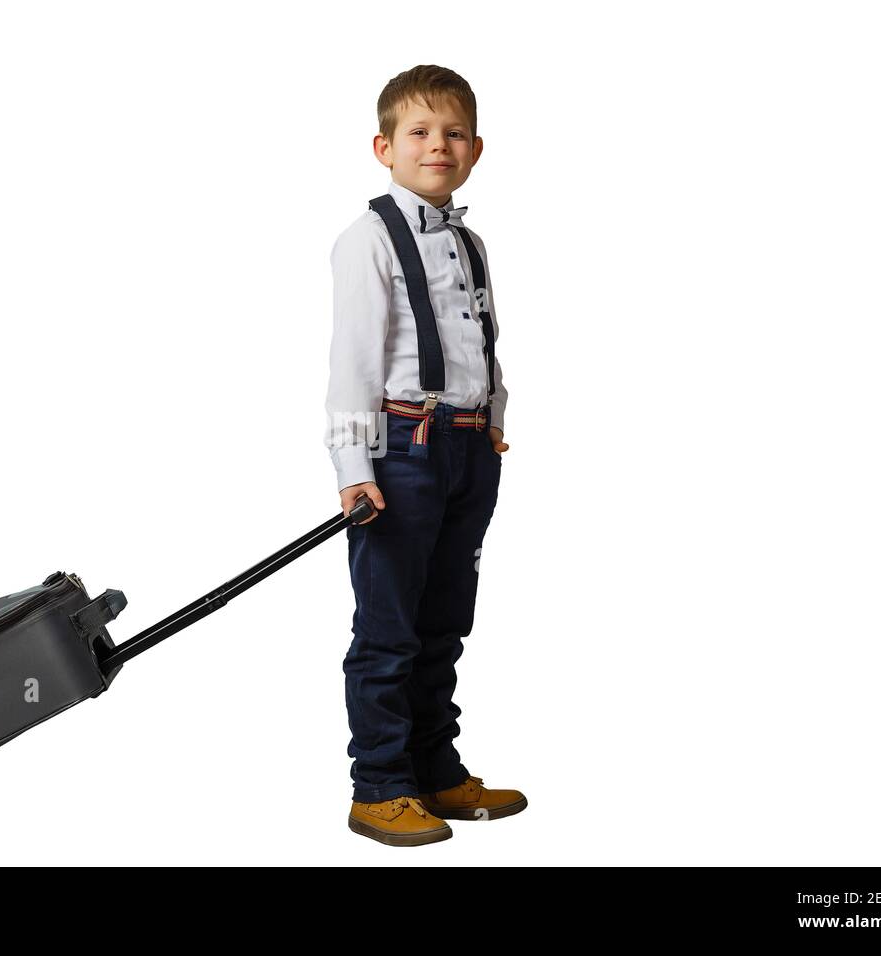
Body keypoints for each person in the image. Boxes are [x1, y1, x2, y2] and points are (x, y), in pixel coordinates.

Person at [324, 64, 528, 847]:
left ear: (475, 149)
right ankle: (379, 783)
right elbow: (353, 366)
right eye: (419, 132)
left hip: (470, 450)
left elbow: (484, 340)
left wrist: (495, 417)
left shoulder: (470, 244)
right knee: (390, 627)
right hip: (402, 453)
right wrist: (354, 473)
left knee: (445, 621)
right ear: (384, 146)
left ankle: (435, 770)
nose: (436, 145)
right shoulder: (368, 238)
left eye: (452, 133)